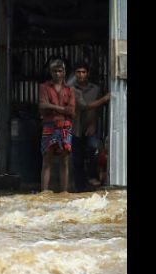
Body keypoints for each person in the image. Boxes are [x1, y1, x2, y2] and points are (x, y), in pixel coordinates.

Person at [68, 62, 111, 191]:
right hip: (75, 128)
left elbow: (98, 111)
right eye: (78, 72)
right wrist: (104, 99)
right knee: (77, 159)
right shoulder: (72, 89)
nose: (81, 75)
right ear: (75, 74)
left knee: (94, 150)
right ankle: (79, 188)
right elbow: (84, 106)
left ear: (88, 73)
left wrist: (94, 124)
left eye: (83, 72)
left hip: (91, 127)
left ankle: (92, 180)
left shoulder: (96, 89)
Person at [38, 58, 75, 192]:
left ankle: (64, 192)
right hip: (50, 126)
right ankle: (44, 192)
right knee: (47, 160)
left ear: (64, 72)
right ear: (51, 72)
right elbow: (42, 105)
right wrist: (61, 109)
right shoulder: (44, 87)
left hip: (65, 126)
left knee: (64, 162)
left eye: (60, 71)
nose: (57, 74)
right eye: (54, 71)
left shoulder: (70, 89)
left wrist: (52, 107)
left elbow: (71, 110)